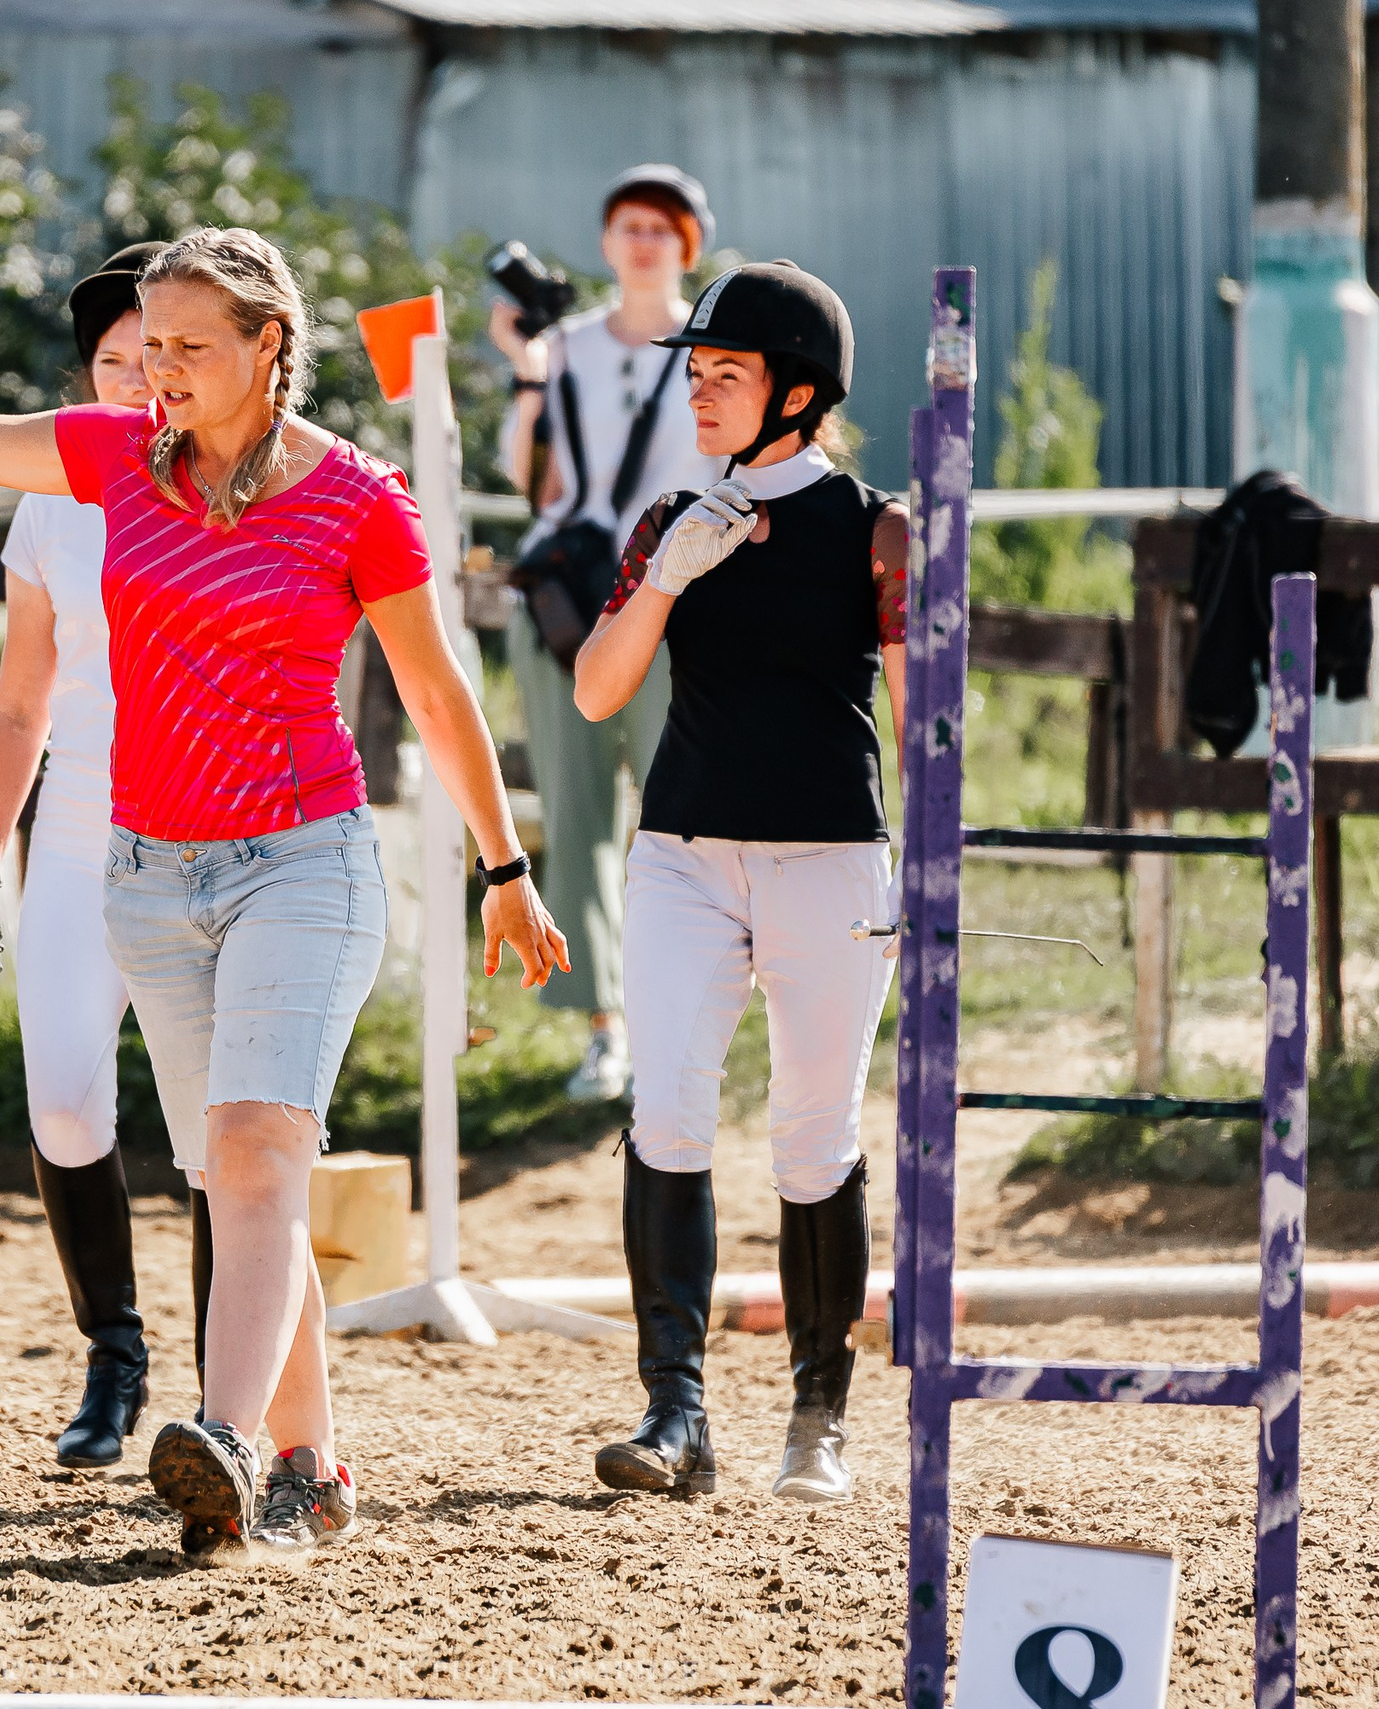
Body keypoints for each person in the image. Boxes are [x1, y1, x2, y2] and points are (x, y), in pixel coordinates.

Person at [0, 225, 567, 1555]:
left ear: (269, 349)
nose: (160, 372)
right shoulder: (112, 456)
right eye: (151, 346)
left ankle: (224, 1443)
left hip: (304, 862)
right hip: (146, 874)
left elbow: (435, 689)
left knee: (252, 1158)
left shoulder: (357, 498)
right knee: (247, 1184)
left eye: (189, 347)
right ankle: (312, 1467)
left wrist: (504, 866)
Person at [569, 262, 906, 1507]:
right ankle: (675, 1411)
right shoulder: (670, 520)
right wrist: (664, 579)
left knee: (813, 1138)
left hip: (829, 858)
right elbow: (597, 690)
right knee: (666, 1108)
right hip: (682, 854)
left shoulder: (878, 529)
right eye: (696, 375)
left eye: (727, 376)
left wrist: (932, 865)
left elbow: (923, 706)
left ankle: (818, 1411)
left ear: (799, 394)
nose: (701, 397)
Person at [0, 242, 203, 1471]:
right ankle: (112, 1347)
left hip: (208, 816)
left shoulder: (235, 486)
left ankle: (225, 1380)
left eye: (156, 360)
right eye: (112, 363)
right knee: (58, 1094)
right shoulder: (53, 501)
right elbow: (18, 705)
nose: (136, 385)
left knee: (214, 1124)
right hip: (85, 815)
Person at [489, 166, 723, 1103]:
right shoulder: (567, 346)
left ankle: (683, 1011)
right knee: (578, 813)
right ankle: (604, 1023)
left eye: (661, 229)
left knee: (680, 809)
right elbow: (531, 484)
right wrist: (526, 375)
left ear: (688, 244)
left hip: (677, 594)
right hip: (570, 598)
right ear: (604, 239)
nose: (642, 242)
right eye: (627, 225)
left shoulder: (713, 346)